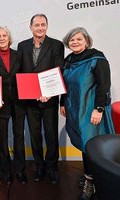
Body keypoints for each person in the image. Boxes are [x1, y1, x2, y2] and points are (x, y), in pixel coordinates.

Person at [60, 27, 115, 200]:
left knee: (92, 146)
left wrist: (99, 109)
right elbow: (64, 84)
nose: (75, 42)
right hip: (75, 109)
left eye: (79, 39)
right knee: (84, 146)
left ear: (87, 41)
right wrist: (62, 103)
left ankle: (92, 183)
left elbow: (104, 85)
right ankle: (88, 177)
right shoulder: (68, 60)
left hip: (91, 110)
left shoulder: (97, 58)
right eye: (72, 40)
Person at [17, 14, 64, 184]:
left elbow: (59, 70)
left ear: (47, 26)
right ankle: (39, 167)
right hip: (30, 100)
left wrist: (50, 92)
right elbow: (20, 72)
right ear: (31, 27)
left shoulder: (57, 45)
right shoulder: (22, 46)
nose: (40, 27)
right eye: (36, 25)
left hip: (49, 99)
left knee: (51, 135)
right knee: (34, 135)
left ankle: (52, 168)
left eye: (43, 24)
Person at [0, 26, 27, 184]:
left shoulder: (20, 55)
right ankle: (5, 171)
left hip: (19, 102)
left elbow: (25, 76)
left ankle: (20, 170)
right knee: (2, 139)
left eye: (4, 35)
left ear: (9, 38)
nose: (2, 38)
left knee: (19, 137)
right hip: (0, 104)